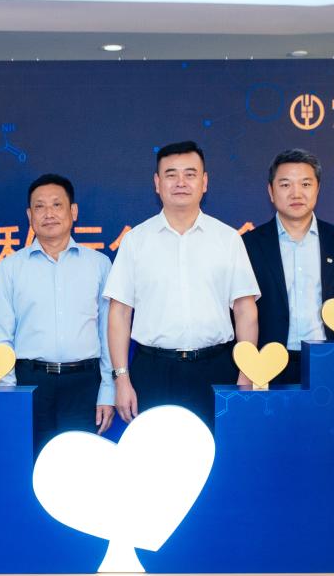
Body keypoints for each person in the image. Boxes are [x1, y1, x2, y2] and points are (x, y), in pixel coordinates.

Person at [104, 140, 260, 428]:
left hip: (217, 369)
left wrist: (247, 372)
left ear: (204, 182)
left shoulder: (227, 239)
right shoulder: (136, 241)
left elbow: (245, 310)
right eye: (171, 174)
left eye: (190, 174)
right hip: (153, 371)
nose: (180, 183)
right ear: (157, 183)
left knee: (221, 451)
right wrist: (121, 379)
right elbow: (119, 313)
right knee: (156, 453)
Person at [0, 174, 113, 454]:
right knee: (31, 462)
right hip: (31, 382)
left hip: (84, 383)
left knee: (81, 465)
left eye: (57, 205)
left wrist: (108, 389)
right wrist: (9, 392)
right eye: (40, 206)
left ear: (73, 211)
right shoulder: (10, 268)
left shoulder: (99, 264)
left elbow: (108, 332)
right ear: (29, 215)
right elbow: (2, 334)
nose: (49, 214)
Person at [242, 149, 334, 385]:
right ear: (271, 191)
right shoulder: (249, 245)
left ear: (318, 189)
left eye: (305, 184)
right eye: (285, 185)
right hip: (268, 364)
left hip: (329, 360)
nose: (296, 193)